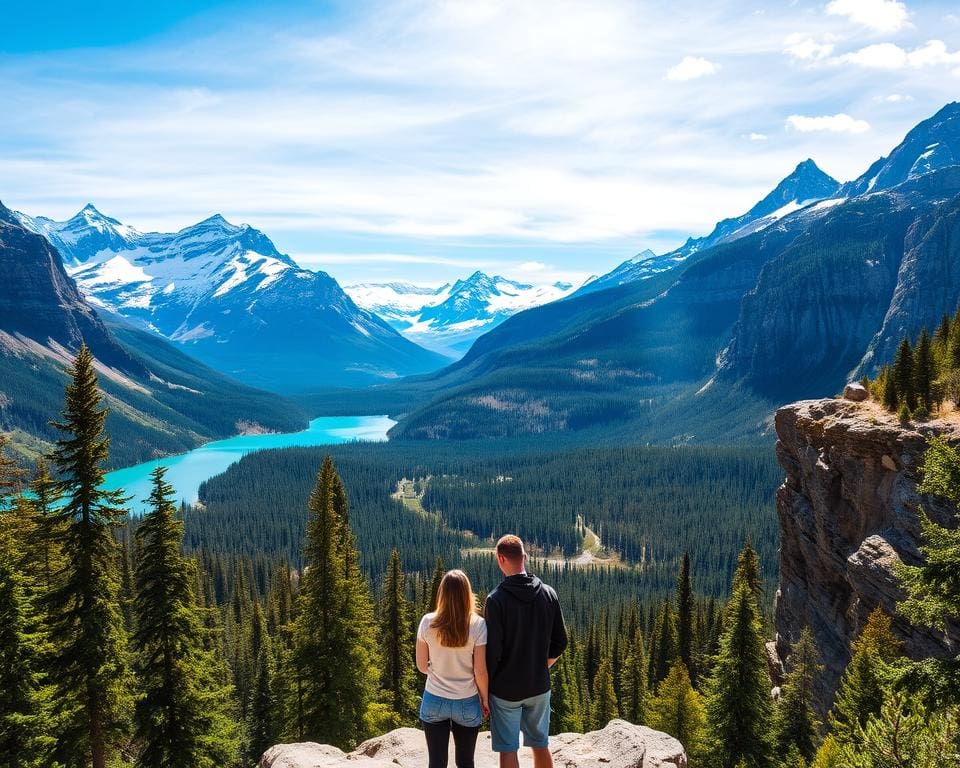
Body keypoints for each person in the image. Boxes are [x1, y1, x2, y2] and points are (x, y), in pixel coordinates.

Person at [485, 534, 568, 768]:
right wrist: (541, 667)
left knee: (508, 749)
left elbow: (493, 653)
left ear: (501, 559)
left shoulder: (496, 600)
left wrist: (486, 687)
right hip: (539, 686)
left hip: (506, 690)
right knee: (540, 744)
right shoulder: (548, 593)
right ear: (524, 557)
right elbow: (560, 642)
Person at [416, 569, 489, 768]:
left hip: (434, 699)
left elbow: (422, 666)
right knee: (466, 762)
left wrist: (437, 666)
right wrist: (484, 699)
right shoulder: (478, 625)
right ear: (467, 594)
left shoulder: (427, 622)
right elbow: (480, 671)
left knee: (436, 762)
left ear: (441, 594)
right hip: (466, 701)